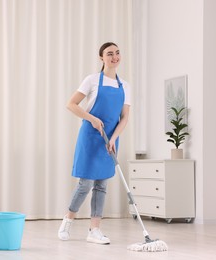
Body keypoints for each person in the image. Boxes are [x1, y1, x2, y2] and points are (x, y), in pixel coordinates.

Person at [58, 42, 131, 244]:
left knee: (102, 185)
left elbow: (124, 117)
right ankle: (68, 220)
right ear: (101, 58)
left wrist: (115, 137)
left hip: (110, 139)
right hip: (90, 137)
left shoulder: (125, 86)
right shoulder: (92, 80)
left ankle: (94, 230)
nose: (115, 57)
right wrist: (91, 118)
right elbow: (71, 104)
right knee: (86, 183)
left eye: (117, 52)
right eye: (110, 54)